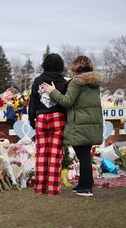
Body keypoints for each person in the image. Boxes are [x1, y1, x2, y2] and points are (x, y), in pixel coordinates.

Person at [41, 55, 103, 197]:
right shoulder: (94, 82)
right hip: (91, 122)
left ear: (76, 67)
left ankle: (86, 187)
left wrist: (52, 91)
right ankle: (84, 183)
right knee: (84, 154)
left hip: (80, 123)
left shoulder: (77, 82)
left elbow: (67, 101)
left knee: (83, 155)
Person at [28, 53, 68, 196]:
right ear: (60, 66)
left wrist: (32, 119)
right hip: (58, 117)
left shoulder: (38, 80)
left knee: (41, 153)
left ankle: (39, 188)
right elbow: (65, 102)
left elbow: (32, 100)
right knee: (55, 154)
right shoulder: (63, 81)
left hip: (40, 117)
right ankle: (52, 189)